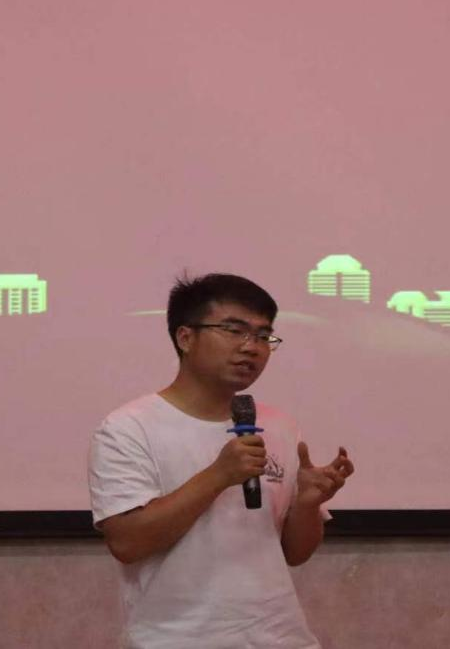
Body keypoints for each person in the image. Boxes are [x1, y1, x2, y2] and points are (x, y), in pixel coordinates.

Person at [88, 273, 355, 649]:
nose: (252, 347)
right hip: (175, 640)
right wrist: (218, 476)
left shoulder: (279, 426)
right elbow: (128, 543)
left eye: (263, 336)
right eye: (234, 331)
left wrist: (307, 505)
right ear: (185, 338)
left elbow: (295, 553)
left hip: (281, 638)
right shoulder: (128, 429)